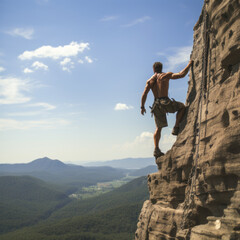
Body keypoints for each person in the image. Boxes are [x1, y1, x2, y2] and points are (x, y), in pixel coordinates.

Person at [141, 60, 193, 158]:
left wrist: (142, 107)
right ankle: (176, 127)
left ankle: (156, 149)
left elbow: (144, 94)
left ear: (153, 69)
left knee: (158, 128)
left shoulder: (150, 81)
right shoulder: (166, 75)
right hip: (165, 102)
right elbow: (181, 74)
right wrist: (189, 65)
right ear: (161, 68)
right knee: (181, 107)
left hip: (156, 105)